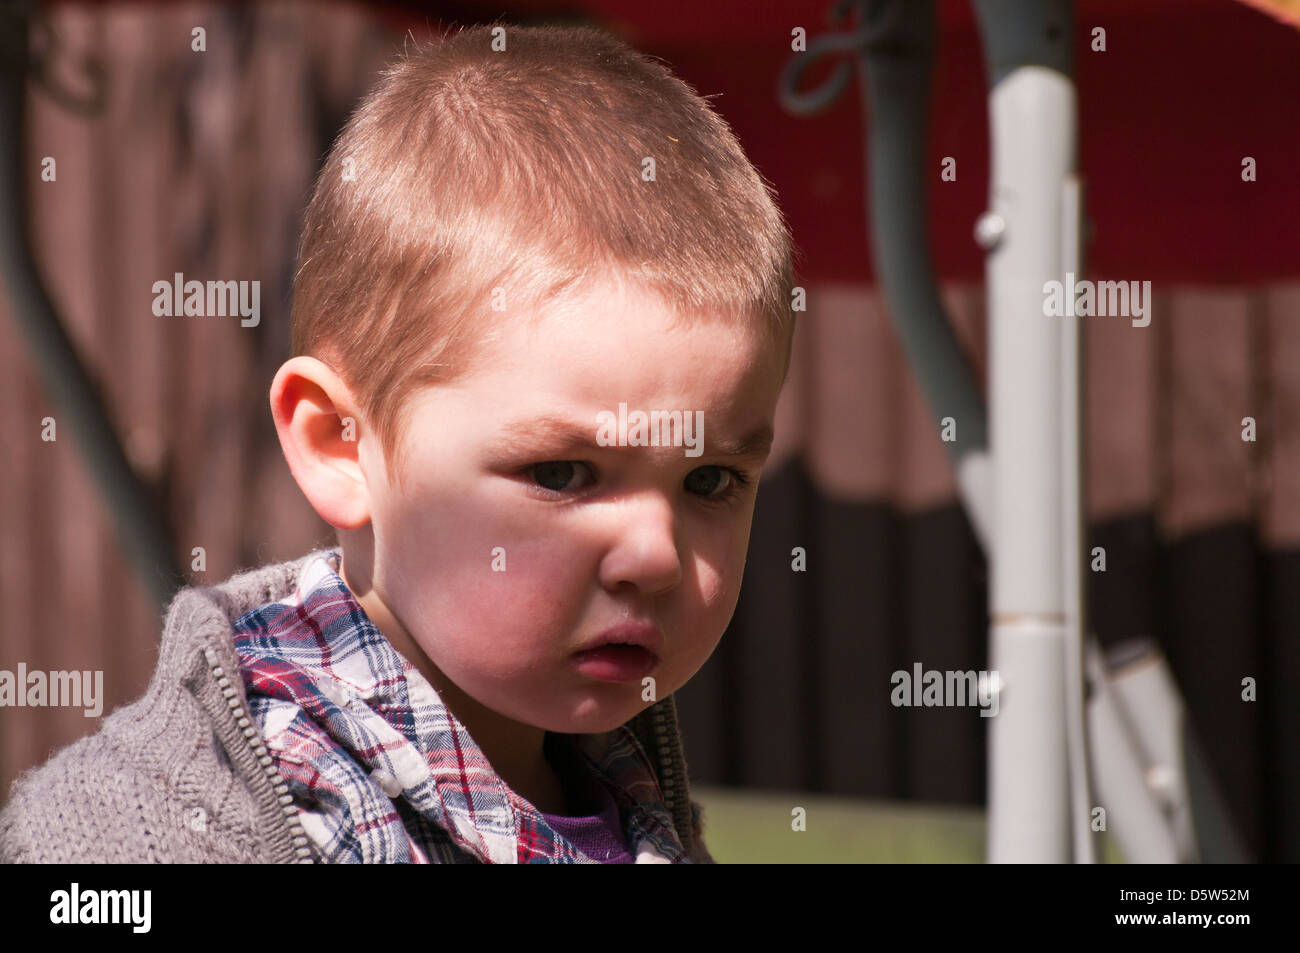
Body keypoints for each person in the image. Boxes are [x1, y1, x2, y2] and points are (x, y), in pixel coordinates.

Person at [0, 21, 796, 863]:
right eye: (563, 472)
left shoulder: (627, 800)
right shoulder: (150, 830)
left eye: (711, 480)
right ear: (341, 443)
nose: (656, 554)